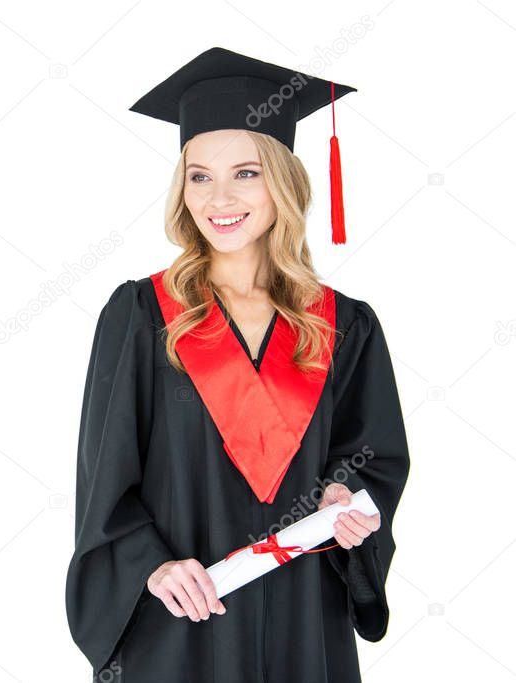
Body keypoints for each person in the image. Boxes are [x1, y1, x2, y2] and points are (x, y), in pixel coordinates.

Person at [65, 48, 410, 682]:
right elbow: (104, 481)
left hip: (304, 620)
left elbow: (374, 460)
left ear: (284, 181)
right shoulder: (142, 316)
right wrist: (153, 565)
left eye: (245, 173)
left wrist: (345, 498)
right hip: (183, 618)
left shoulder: (345, 325)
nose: (218, 196)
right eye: (198, 176)